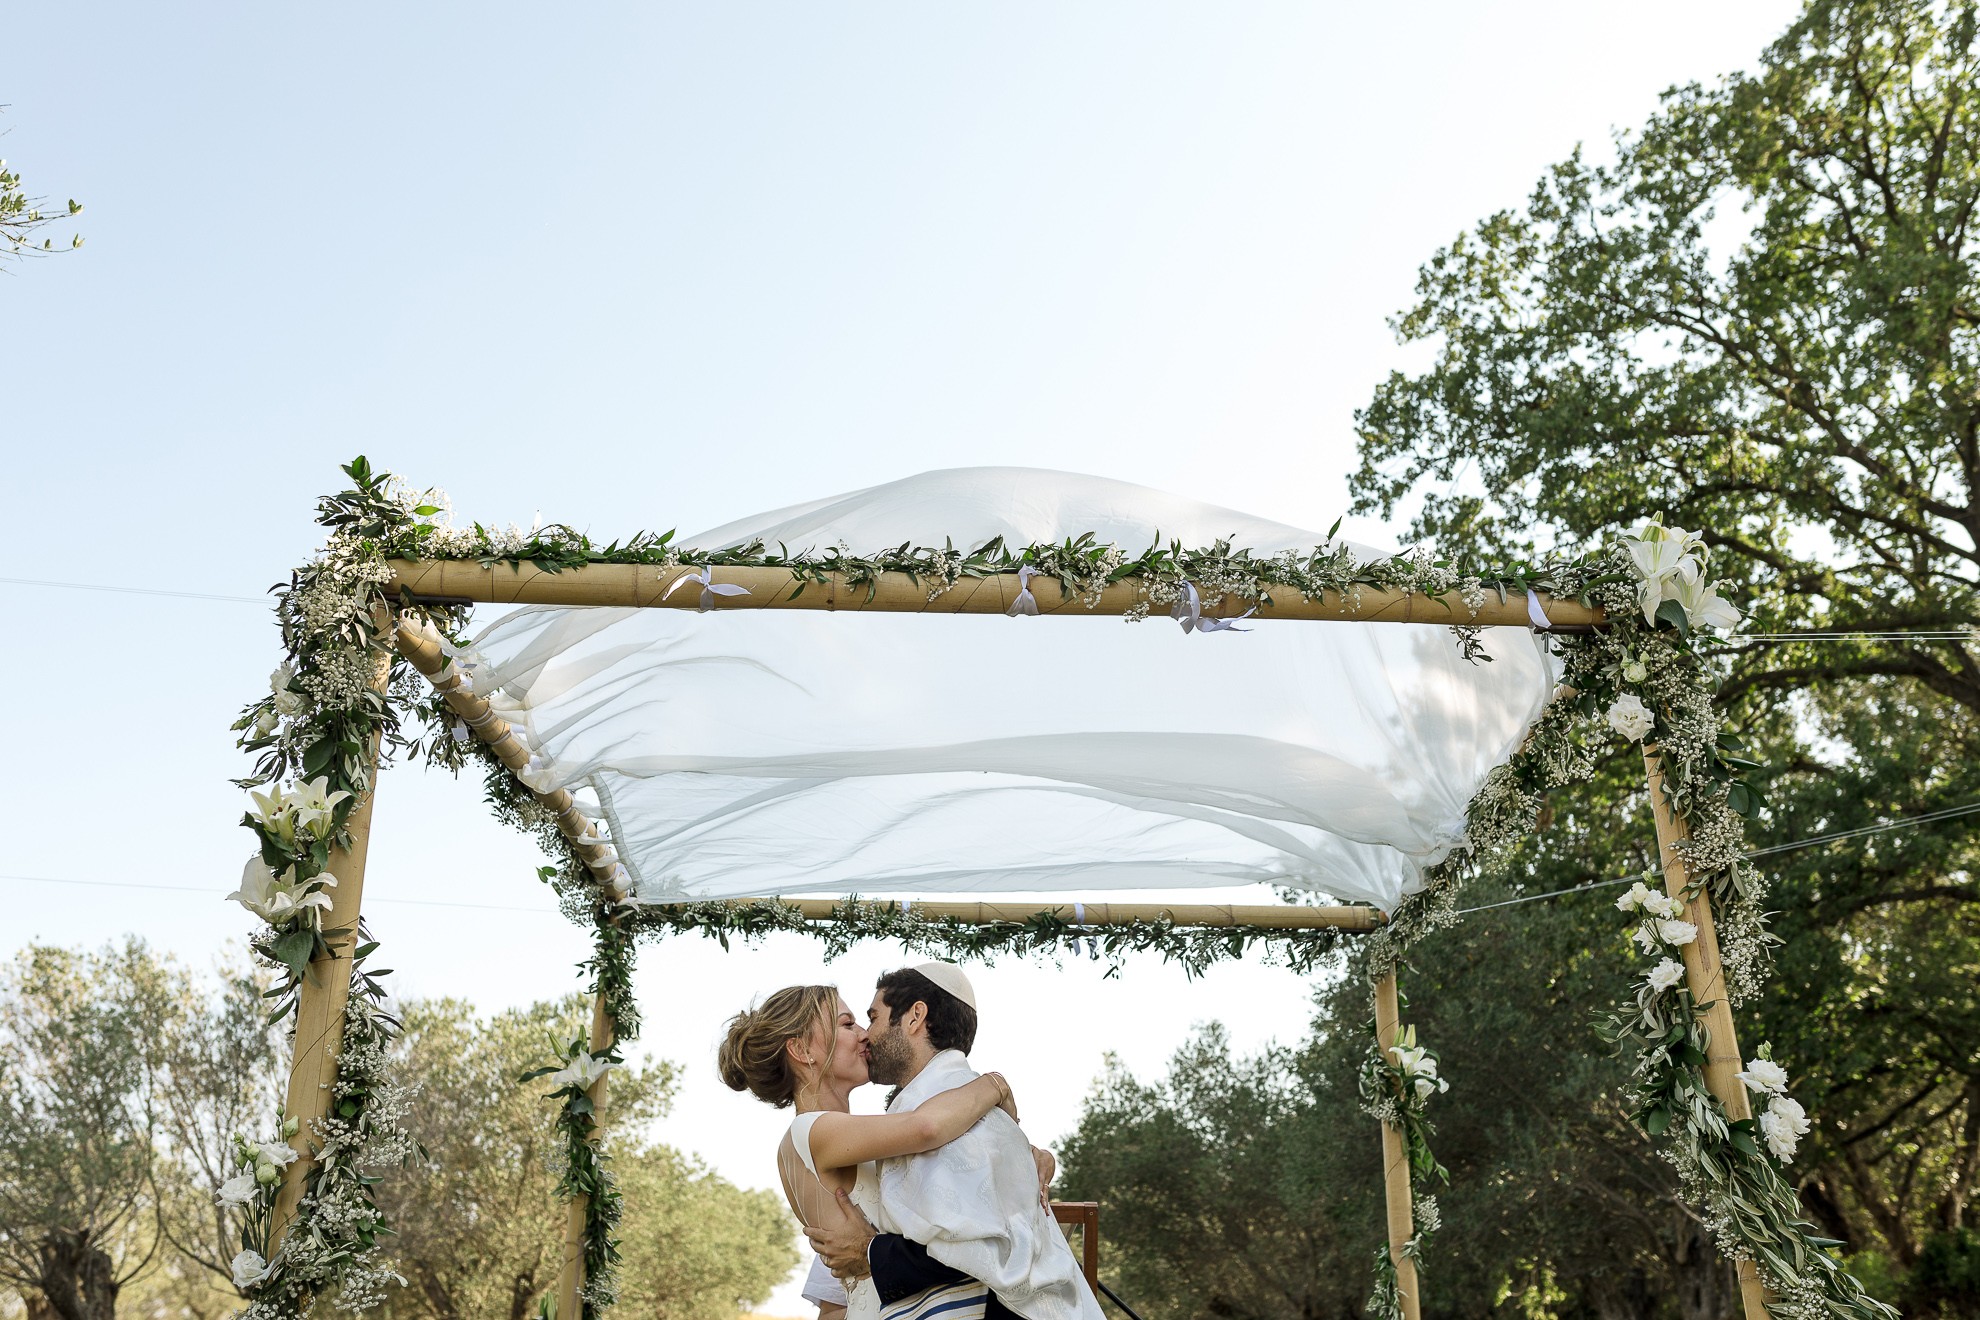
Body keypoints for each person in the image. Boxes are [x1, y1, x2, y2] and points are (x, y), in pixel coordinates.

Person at [807, 964, 1103, 1320]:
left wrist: (871, 1251)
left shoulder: (959, 1117)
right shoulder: (955, 1108)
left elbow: (984, 1254)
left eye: (874, 1017)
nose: (867, 1035)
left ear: (915, 1016)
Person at [719, 982, 1020, 1320]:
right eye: (847, 1024)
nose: (864, 1034)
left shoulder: (837, 1136)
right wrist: (994, 1084)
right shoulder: (811, 1131)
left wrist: (1025, 1153)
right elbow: (927, 1127)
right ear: (802, 1050)